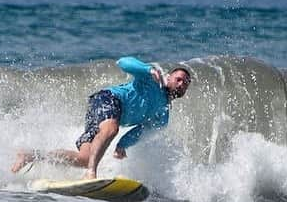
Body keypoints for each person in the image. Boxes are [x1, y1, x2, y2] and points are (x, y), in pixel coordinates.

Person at [11, 56, 191, 179]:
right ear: (168, 78)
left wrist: (122, 145)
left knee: (84, 158)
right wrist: (148, 69)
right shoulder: (152, 80)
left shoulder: (163, 116)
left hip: (103, 113)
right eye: (179, 79)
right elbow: (123, 62)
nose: (181, 84)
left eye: (185, 83)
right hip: (107, 99)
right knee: (111, 129)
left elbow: (140, 131)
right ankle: (92, 172)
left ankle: (32, 155)